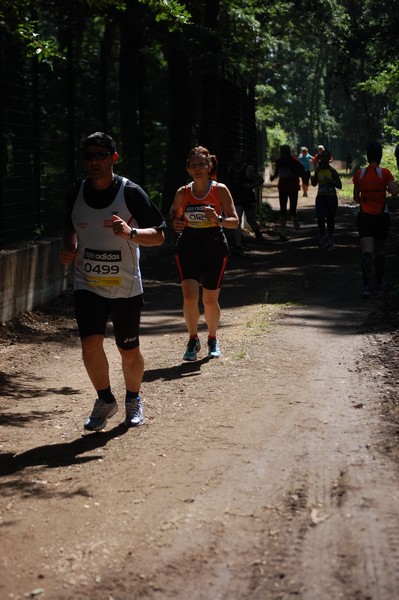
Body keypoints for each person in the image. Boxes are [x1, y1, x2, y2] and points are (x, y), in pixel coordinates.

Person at [60, 132, 166, 431]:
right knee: (90, 347)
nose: (94, 161)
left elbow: (159, 236)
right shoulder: (75, 192)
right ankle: (105, 400)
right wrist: (69, 247)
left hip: (125, 286)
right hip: (87, 283)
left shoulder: (130, 193)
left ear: (113, 158)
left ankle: (133, 399)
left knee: (127, 350)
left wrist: (130, 233)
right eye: (89, 156)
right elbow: (69, 225)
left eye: (101, 155)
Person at [169, 145, 239, 361]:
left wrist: (217, 218)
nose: (197, 168)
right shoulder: (183, 192)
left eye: (201, 164)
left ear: (209, 166)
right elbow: (173, 213)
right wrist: (176, 222)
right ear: (188, 168)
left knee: (209, 300)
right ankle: (192, 339)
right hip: (189, 245)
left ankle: (212, 337)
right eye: (193, 165)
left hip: (214, 245)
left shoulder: (220, 190)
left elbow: (234, 222)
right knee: (190, 297)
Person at [352, 142, 399, 298]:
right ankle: (379, 283)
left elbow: (355, 197)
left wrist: (366, 202)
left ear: (367, 155)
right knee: (379, 251)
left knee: (366, 251)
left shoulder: (360, 174)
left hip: (364, 216)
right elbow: (394, 192)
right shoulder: (385, 173)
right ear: (380, 156)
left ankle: (366, 287)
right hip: (381, 216)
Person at [226, 150, 264, 255]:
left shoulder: (249, 168)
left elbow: (260, 179)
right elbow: (228, 183)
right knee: (237, 221)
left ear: (243, 159)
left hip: (248, 198)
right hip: (237, 198)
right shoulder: (230, 169)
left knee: (251, 220)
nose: (236, 160)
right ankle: (238, 246)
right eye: (235, 158)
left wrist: (251, 186)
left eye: (238, 158)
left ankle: (256, 231)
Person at [270, 144, 305, 240]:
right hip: (285, 187)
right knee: (284, 209)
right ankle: (283, 230)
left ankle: (291, 222)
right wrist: (274, 177)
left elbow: (302, 170)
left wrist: (294, 175)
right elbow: (277, 172)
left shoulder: (293, 161)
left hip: (291, 187)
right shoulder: (280, 161)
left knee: (288, 209)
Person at [311, 149, 342, 249]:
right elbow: (314, 184)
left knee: (330, 219)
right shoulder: (318, 170)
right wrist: (313, 175)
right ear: (320, 159)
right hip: (320, 197)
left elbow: (339, 185)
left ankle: (329, 238)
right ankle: (321, 237)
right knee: (320, 217)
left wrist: (330, 182)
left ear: (329, 159)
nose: (324, 158)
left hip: (331, 198)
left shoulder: (332, 171)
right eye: (322, 156)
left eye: (326, 156)